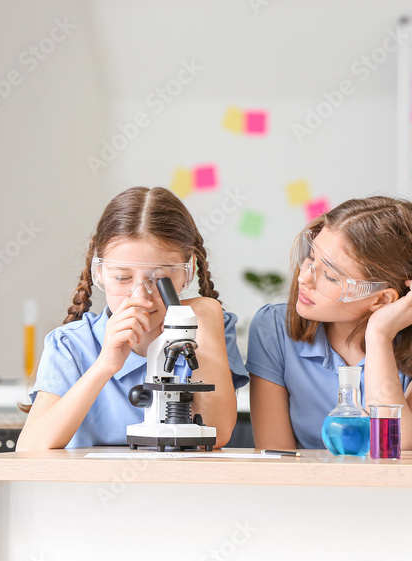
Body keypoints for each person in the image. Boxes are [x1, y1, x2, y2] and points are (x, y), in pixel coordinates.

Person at [17, 187, 248, 450]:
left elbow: (216, 434)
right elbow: (30, 448)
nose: (142, 297)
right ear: (99, 272)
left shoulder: (208, 328)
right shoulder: (71, 344)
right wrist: (105, 365)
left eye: (161, 280)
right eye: (122, 278)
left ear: (188, 273)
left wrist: (206, 314)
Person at [247, 196, 412, 451]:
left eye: (329, 276)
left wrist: (379, 336)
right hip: (303, 488)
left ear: (381, 299)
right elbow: (277, 458)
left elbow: (397, 449)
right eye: (310, 257)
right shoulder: (273, 328)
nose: (304, 278)